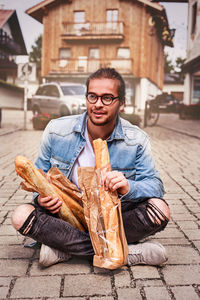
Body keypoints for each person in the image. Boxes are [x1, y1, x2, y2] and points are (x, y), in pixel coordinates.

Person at [12, 68, 170, 267]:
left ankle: (67, 249)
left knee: (160, 209)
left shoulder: (136, 139)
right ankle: (125, 253)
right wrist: (41, 199)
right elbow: (37, 176)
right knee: (20, 216)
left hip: (112, 217)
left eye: (107, 98)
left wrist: (128, 186)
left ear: (121, 103)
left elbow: (155, 185)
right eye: (92, 96)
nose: (97, 104)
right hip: (67, 217)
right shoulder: (56, 130)